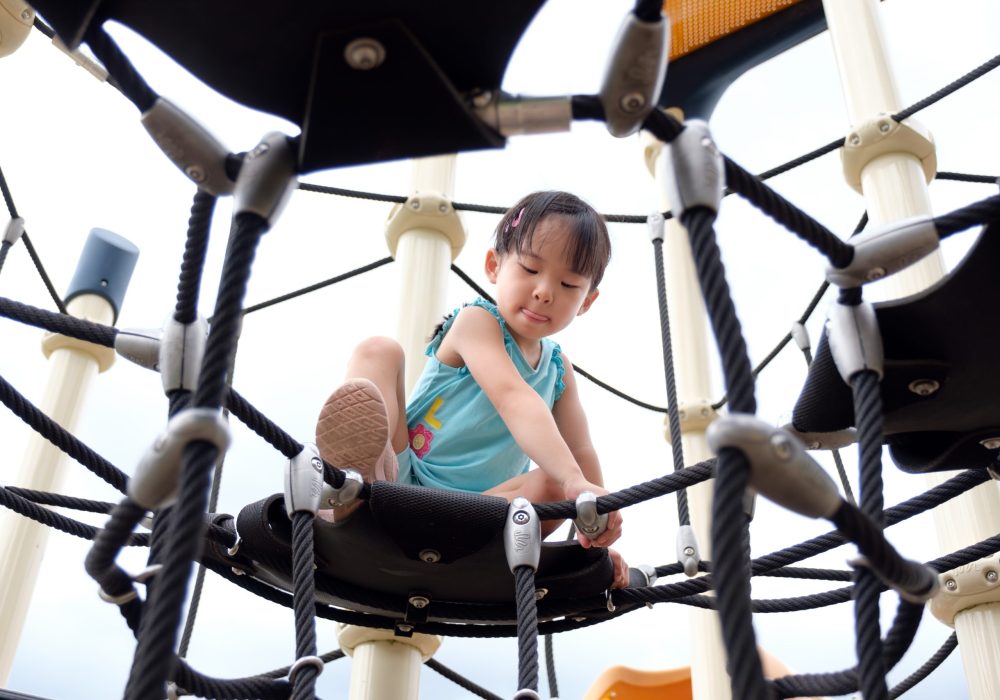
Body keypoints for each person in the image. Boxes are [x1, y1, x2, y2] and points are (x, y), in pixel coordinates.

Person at [315, 190, 627, 587]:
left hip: (484, 511)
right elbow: (513, 397)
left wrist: (595, 524)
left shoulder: (558, 369)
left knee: (557, 481)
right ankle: (351, 486)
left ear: (587, 301)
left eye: (568, 284)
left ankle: (476, 543)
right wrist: (573, 480)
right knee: (378, 350)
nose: (545, 291)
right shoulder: (477, 322)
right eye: (530, 269)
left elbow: (582, 454)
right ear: (494, 265)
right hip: (399, 480)